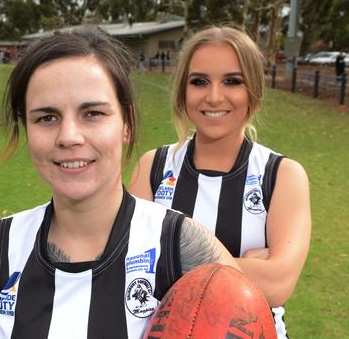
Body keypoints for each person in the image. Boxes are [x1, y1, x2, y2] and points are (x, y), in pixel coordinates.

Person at [0, 26, 239, 339]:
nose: (69, 137)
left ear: (126, 124)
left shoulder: (182, 248)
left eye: (92, 113)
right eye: (47, 118)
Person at [128, 26, 311, 339]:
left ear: (253, 90)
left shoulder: (281, 175)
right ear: (183, 91)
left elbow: (278, 284)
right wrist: (244, 267)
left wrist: (167, 260)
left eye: (232, 81)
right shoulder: (153, 167)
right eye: (199, 81)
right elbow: (128, 270)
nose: (214, 97)